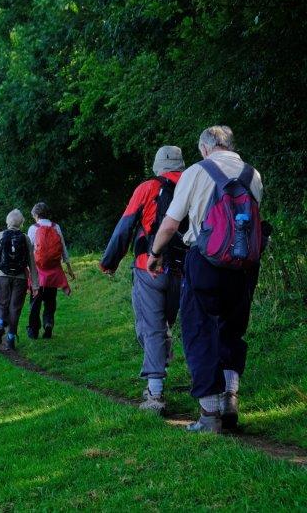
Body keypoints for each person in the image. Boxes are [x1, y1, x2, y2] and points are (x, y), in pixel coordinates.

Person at [148, 126, 263, 434]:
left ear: (204, 148)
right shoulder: (253, 174)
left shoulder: (197, 172)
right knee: (232, 331)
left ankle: (209, 415)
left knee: (200, 331)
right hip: (245, 266)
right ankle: (229, 403)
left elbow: (171, 224)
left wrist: (155, 252)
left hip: (206, 262)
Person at [100, 146, 186, 413]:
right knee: (164, 325)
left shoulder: (147, 188)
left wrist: (109, 262)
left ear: (157, 166)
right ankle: (162, 359)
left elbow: (125, 225)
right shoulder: (195, 182)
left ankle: (155, 395)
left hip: (148, 268)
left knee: (150, 328)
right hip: (184, 271)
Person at [0, 209, 39, 350]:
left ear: (7, 221)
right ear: (21, 223)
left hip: (1, 275)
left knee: (0, 303)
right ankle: (10, 338)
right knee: (15, 308)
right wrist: (35, 284)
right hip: (20, 278)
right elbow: (31, 263)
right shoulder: (25, 238)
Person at [27, 202, 76, 340]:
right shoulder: (56, 227)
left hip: (38, 272)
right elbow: (63, 248)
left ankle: (33, 330)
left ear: (36, 215)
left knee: (35, 302)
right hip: (54, 272)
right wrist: (69, 269)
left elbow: (29, 250)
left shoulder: (33, 228)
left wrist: (26, 269)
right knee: (50, 301)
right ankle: (48, 323)